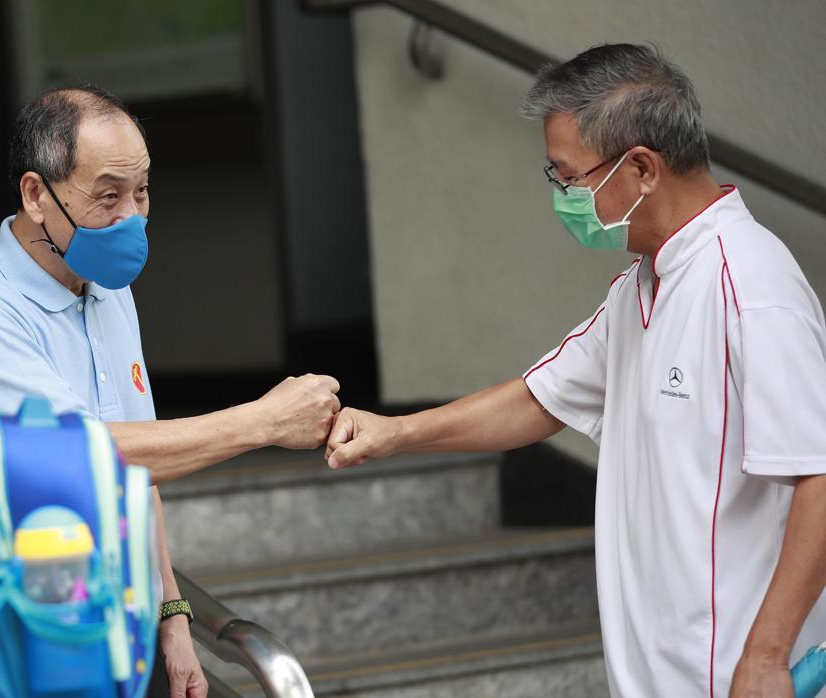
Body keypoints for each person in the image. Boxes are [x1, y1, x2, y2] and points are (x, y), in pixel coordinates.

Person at [324, 44, 826, 698]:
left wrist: (766, 656)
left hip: (738, 679)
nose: (563, 195)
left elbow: (819, 474)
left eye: (569, 175)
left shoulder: (751, 285)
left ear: (641, 167)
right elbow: (537, 400)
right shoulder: (640, 288)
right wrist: (396, 433)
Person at [0, 85, 341, 697]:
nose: (132, 216)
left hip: (115, 622)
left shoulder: (108, 290)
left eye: (142, 191)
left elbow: (138, 469)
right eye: (108, 195)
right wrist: (264, 423)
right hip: (21, 635)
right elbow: (88, 457)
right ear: (36, 194)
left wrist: (173, 620)